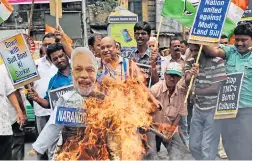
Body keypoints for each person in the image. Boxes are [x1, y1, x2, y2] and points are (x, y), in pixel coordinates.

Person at [28, 47, 103, 158]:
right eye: (78, 70)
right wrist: (38, 147)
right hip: (73, 145)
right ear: (73, 74)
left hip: (98, 146)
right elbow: (54, 123)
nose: (84, 76)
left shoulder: (105, 96)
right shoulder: (66, 98)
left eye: (89, 70)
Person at [202, 22, 252, 160]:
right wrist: (199, 35)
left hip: (248, 110)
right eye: (237, 39)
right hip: (227, 109)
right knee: (229, 145)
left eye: (244, 40)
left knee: (247, 148)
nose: (240, 43)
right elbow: (213, 51)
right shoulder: (230, 51)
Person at [185, 43, 226, 160]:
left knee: (207, 147)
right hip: (198, 109)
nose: (192, 53)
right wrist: (192, 75)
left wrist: (195, 92)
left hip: (213, 110)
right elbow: (187, 82)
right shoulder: (190, 61)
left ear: (203, 49)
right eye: (190, 50)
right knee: (193, 146)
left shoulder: (217, 61)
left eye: (195, 50)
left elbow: (216, 88)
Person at [148, 62, 191, 160]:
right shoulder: (155, 90)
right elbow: (145, 113)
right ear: (165, 75)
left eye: (176, 76)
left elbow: (180, 115)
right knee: (151, 155)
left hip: (169, 126)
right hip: (151, 127)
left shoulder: (182, 93)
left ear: (180, 78)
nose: (172, 78)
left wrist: (170, 131)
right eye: (170, 75)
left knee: (178, 154)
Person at [28, 43, 72, 110]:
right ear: (52, 61)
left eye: (61, 56)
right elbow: (49, 103)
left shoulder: (81, 71)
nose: (59, 60)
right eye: (55, 59)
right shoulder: (53, 81)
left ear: (66, 55)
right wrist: (38, 99)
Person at [0, 67, 26, 160]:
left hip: (4, 127)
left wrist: (19, 111)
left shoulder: (1, 72)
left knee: (6, 157)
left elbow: (10, 92)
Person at [128, 21, 161, 86]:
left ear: (149, 36)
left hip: (148, 93)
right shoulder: (127, 54)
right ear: (134, 35)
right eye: (137, 33)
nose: (140, 36)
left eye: (143, 33)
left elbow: (157, 83)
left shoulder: (155, 55)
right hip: (131, 93)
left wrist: (153, 65)